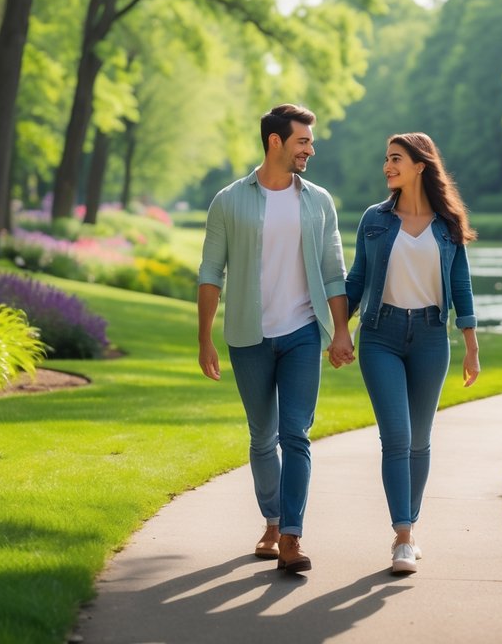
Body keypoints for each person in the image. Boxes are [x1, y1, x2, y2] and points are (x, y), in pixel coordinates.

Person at [197, 103, 354, 574]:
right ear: (275, 142)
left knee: (296, 434)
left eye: (310, 141)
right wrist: (204, 339)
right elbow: (211, 272)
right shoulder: (229, 200)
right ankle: (271, 519)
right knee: (263, 437)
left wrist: (341, 329)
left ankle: (290, 535)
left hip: (303, 333)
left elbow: (333, 271)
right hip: (249, 335)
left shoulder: (318, 201)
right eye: (303, 140)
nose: (310, 148)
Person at [345, 132, 480, 575]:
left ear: (421, 165)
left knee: (420, 441)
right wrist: (337, 331)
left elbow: (461, 287)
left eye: (396, 158)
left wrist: (471, 347)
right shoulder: (375, 219)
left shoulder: (447, 224)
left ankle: (411, 526)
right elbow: (357, 279)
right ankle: (402, 536)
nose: (387, 166)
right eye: (386, 159)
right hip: (380, 335)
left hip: (429, 337)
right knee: (397, 438)